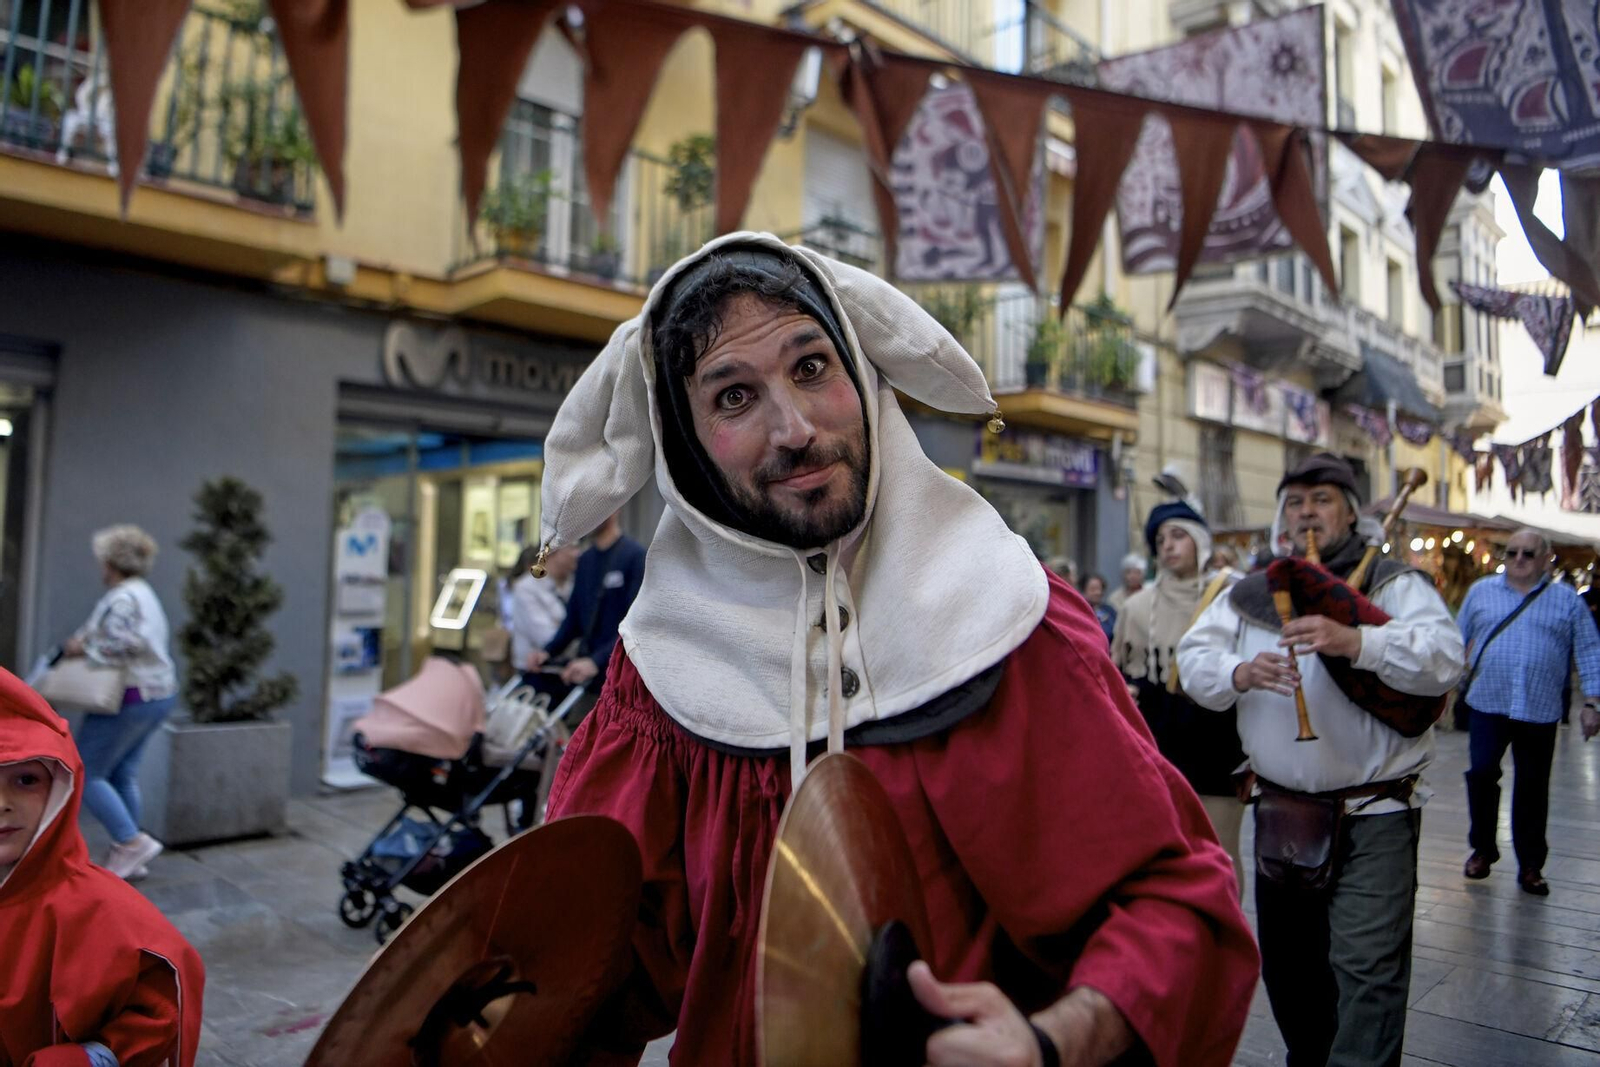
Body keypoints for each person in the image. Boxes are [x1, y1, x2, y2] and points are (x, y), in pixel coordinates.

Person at [536, 235, 1258, 1066]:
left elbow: (1177, 905)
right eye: (734, 396)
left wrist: (1052, 1040)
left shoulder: (1007, 615)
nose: (795, 429)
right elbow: (584, 973)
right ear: (687, 447)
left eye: (812, 367)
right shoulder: (661, 673)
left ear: (863, 371)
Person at [1177, 452, 1463, 1067]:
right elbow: (1193, 661)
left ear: (1351, 513)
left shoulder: (1393, 583)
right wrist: (1239, 671)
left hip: (1375, 812)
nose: (1307, 513)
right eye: (1296, 503)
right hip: (1282, 814)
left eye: (1322, 500)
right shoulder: (1249, 589)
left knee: (1368, 970)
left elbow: (1444, 659)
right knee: (1292, 972)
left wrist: (1358, 640)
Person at [2, 667, 205, 1067]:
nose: (2, 803)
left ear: (59, 787)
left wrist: (90, 1056)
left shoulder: (98, 908)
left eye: (25, 780)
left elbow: (164, 999)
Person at [1457, 528, 1600, 896]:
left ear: (1546, 560)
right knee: (1481, 774)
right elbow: (1455, 640)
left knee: (1533, 787)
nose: (1518, 559)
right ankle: (1482, 850)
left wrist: (1591, 703)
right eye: (1512, 552)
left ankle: (1531, 865)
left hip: (1539, 707)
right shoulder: (1480, 592)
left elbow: (1589, 650)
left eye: (1528, 553)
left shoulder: (1567, 601)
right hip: (1487, 702)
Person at [1113, 502, 1247, 892]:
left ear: (1200, 542)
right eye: (1160, 540)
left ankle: (1225, 929)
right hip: (1159, 744)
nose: (1168, 546)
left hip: (1218, 743)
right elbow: (1121, 670)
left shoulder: (1230, 598)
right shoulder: (1136, 607)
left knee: (1221, 853)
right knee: (1163, 857)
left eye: (1178, 536)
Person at [60, 525, 177, 881]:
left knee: (85, 770)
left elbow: (127, 644)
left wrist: (83, 648)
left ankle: (130, 843)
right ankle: (131, 853)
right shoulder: (144, 593)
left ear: (110, 563)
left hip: (129, 697)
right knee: (123, 773)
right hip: (158, 695)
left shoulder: (123, 598)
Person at [527, 511, 645, 690]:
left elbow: (636, 625)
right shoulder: (585, 560)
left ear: (614, 509)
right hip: (585, 675)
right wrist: (547, 651)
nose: (587, 516)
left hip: (621, 676)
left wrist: (596, 661)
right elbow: (573, 619)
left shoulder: (635, 557)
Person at [509, 542, 579, 674]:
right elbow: (546, 637)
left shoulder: (575, 583)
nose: (577, 553)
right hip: (539, 672)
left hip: (573, 672)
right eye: (571, 547)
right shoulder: (527, 588)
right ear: (552, 551)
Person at [1081, 573, 1116, 645]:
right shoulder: (1080, 611)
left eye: (1099, 589)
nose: (1097, 592)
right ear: (1084, 590)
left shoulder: (1110, 610)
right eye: (1092, 589)